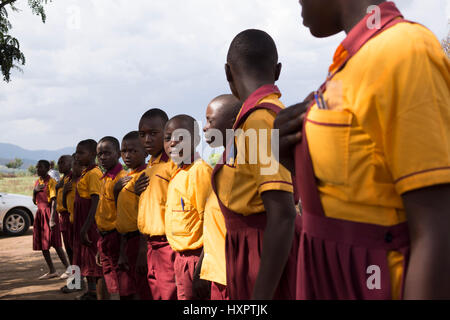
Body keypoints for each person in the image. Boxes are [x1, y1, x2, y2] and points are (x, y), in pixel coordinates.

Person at [274, 0, 450, 299]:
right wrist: (293, 156)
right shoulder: (350, 65)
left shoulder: (403, 49)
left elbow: (438, 226)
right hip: (330, 274)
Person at [212, 29, 299, 300]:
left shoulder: (261, 120)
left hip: (262, 252)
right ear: (278, 70)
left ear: (228, 72)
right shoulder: (253, 118)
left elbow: (283, 214)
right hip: (249, 250)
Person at [193, 94, 241, 300]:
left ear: (233, 122)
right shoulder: (224, 161)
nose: (204, 127)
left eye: (210, 120)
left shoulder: (244, 161)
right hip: (217, 270)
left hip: (234, 273)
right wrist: (203, 264)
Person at [164, 114, 213, 300]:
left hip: (197, 259)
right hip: (181, 259)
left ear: (197, 140)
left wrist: (201, 268)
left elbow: (210, 223)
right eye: (168, 138)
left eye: (180, 137)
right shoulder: (179, 172)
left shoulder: (199, 172)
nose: (173, 143)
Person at [135, 108, 178, 300]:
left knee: (170, 293)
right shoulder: (150, 165)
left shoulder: (174, 164)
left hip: (169, 245)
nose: (147, 139)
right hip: (150, 244)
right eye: (142, 135)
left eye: (153, 134)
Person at [114, 131, 152, 300]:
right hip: (125, 240)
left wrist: (143, 251)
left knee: (140, 291)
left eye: (133, 151)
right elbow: (123, 215)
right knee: (126, 291)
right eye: (124, 151)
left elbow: (146, 216)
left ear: (145, 152)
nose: (127, 155)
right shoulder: (125, 178)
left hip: (140, 241)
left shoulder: (145, 177)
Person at [95, 136, 127, 300]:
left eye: (107, 153)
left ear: (118, 154)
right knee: (108, 278)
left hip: (116, 236)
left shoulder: (121, 179)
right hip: (104, 236)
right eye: (99, 154)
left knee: (120, 281)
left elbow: (122, 215)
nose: (102, 157)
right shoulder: (105, 177)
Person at [74, 139, 104, 300]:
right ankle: (91, 291)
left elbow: (95, 201)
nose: (77, 156)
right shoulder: (85, 172)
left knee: (94, 260)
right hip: (82, 221)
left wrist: (86, 227)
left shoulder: (94, 173)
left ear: (93, 154)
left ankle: (98, 294)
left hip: (90, 222)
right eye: (76, 152)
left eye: (81, 153)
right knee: (86, 258)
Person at [32, 160, 69, 280]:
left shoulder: (51, 182)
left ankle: (68, 269)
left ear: (47, 168)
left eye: (40, 167)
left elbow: (54, 201)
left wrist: (52, 219)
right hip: (40, 214)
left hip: (49, 214)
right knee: (44, 244)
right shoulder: (37, 182)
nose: (38, 169)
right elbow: (35, 201)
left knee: (56, 243)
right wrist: (34, 191)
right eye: (37, 167)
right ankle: (52, 270)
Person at [60, 156, 85, 294]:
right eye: (74, 164)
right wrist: (64, 193)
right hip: (70, 220)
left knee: (81, 254)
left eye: (77, 164)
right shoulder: (68, 181)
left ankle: (81, 282)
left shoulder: (83, 181)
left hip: (82, 224)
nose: (74, 167)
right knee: (71, 252)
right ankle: (74, 280)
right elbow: (64, 204)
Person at [55, 155, 74, 270]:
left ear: (71, 164)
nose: (59, 165)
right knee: (69, 249)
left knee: (73, 250)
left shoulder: (72, 179)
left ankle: (78, 281)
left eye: (62, 162)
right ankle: (75, 280)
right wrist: (58, 189)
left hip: (70, 216)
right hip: (63, 217)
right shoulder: (62, 180)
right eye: (59, 163)